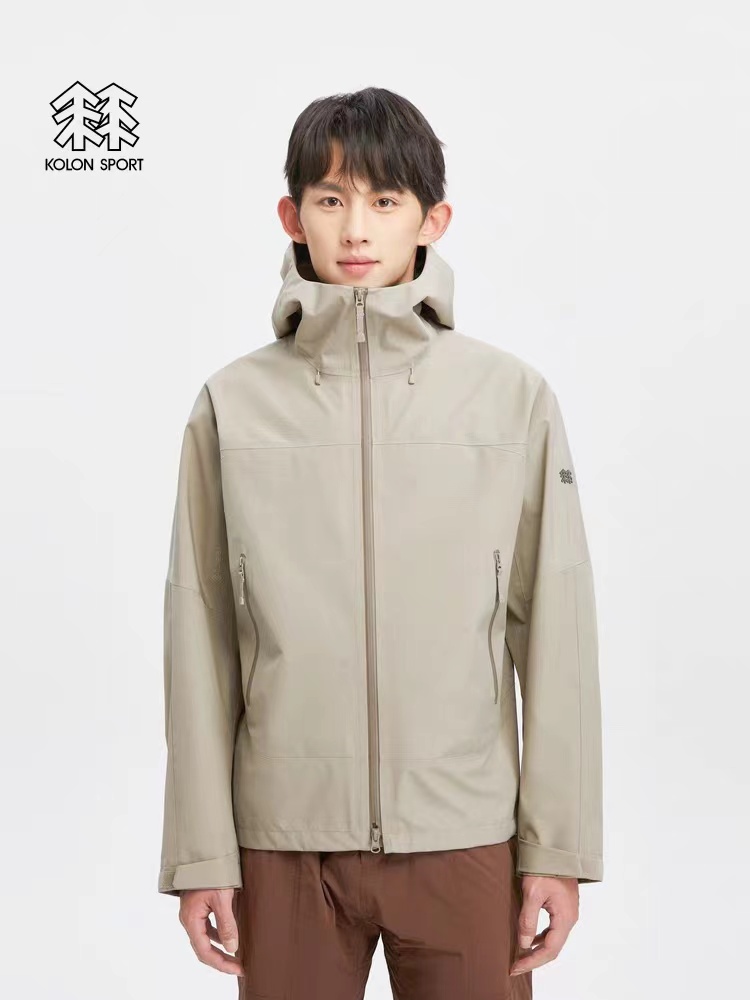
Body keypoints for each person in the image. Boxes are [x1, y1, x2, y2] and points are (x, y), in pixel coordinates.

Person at [157, 87, 603, 999]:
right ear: (293, 216)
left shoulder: (510, 400)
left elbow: (557, 633)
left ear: (432, 220)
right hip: (284, 842)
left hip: (464, 835)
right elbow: (198, 636)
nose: (356, 228)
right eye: (330, 199)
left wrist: (557, 848)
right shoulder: (232, 405)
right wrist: (202, 852)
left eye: (385, 200)